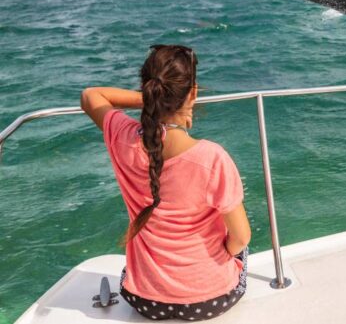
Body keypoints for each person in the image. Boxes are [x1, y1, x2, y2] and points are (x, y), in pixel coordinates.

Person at [81, 44, 251, 320]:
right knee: (240, 243)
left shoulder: (122, 137)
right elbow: (241, 238)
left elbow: (90, 96)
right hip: (211, 298)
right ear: (192, 94)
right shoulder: (212, 158)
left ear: (149, 90)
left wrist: (151, 102)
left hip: (144, 299)